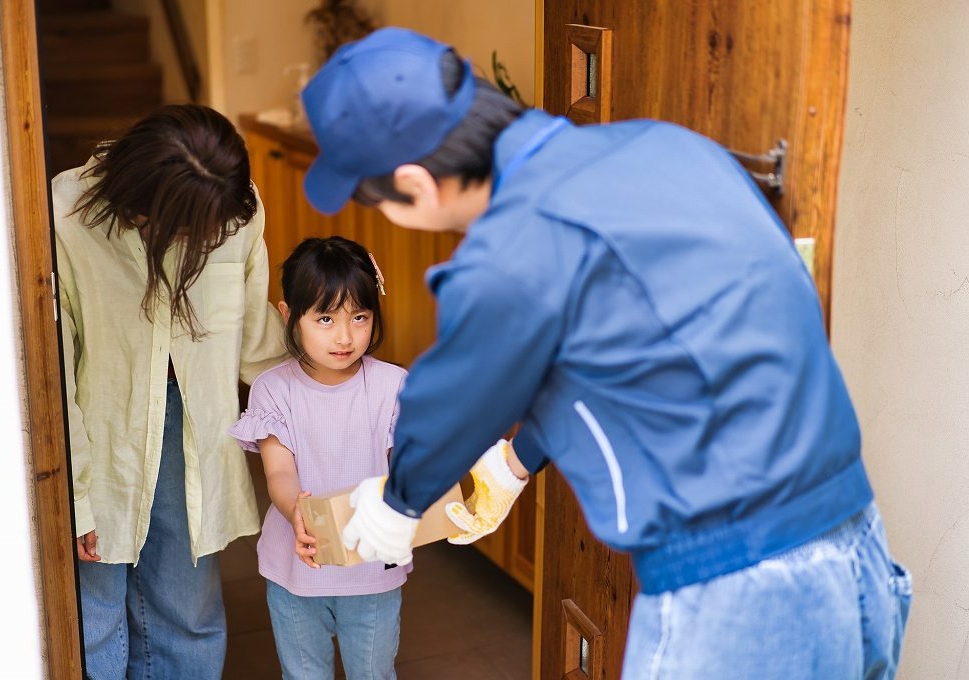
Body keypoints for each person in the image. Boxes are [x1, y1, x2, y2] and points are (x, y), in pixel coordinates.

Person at [298, 27, 913, 679]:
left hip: (739, 593)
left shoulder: (513, 246)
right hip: (854, 546)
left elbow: (447, 401)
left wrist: (398, 503)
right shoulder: (665, 146)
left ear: (416, 186)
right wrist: (515, 462)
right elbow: (626, 351)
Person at [54, 104, 288, 679]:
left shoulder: (238, 209)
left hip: (194, 425)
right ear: (141, 206)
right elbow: (52, 374)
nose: (203, 242)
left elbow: (258, 342)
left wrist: (326, 388)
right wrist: (77, 493)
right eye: (187, 232)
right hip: (96, 429)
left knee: (189, 612)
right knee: (95, 615)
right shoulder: (68, 213)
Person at [228, 235, 408, 680]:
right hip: (297, 569)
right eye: (325, 318)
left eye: (360, 317)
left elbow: (407, 468)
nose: (345, 337)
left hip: (372, 571)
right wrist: (298, 512)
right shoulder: (274, 389)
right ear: (289, 315)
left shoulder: (393, 385)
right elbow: (280, 472)